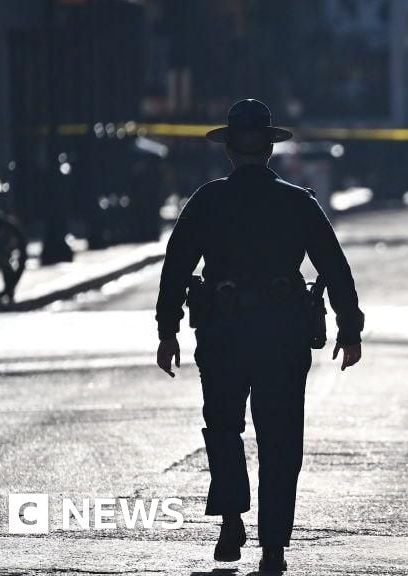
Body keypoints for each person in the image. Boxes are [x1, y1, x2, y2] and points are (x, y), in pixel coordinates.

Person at [155, 99, 364, 572]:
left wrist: (167, 331)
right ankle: (273, 546)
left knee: (224, 429)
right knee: (280, 438)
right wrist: (349, 328)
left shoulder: (206, 201)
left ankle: (231, 519)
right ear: (269, 150)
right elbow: (334, 267)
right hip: (282, 334)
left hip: (223, 332)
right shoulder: (297, 202)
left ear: (228, 151)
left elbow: (176, 269)